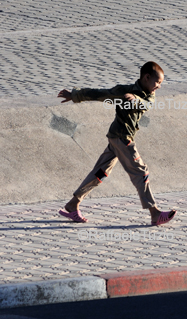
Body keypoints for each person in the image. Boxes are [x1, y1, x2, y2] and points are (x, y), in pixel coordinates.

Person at [56, 61, 176, 226]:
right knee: (140, 171)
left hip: (116, 139)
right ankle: (154, 213)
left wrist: (135, 99)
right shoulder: (122, 91)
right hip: (121, 139)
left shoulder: (149, 95)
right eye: (158, 82)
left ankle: (72, 204)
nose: (159, 86)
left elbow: (145, 104)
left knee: (100, 173)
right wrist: (75, 95)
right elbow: (100, 94)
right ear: (147, 77)